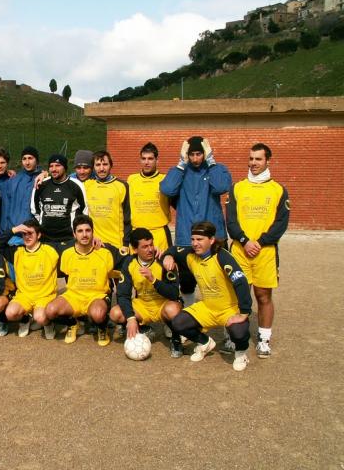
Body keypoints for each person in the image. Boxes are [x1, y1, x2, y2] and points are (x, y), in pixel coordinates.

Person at [226, 143, 290, 358]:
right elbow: (231, 221)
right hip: (240, 250)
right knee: (237, 295)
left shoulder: (278, 190)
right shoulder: (237, 188)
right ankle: (234, 337)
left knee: (263, 296)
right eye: (251, 158)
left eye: (258, 159)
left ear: (267, 161)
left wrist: (260, 242)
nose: (253, 163)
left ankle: (263, 339)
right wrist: (245, 241)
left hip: (265, 252)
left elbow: (281, 223)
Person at [163, 221, 253, 371]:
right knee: (178, 323)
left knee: (239, 332)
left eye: (200, 239)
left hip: (228, 309)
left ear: (211, 240)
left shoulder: (222, 256)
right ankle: (205, 342)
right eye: (193, 239)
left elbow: (241, 281)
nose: (195, 243)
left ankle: (241, 353)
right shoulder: (191, 254)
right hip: (207, 307)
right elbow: (174, 249)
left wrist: (244, 312)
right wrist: (168, 255)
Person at [160, 136, 232, 306]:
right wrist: (181, 163)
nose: (195, 158)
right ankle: (189, 315)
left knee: (219, 280)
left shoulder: (216, 169)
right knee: (187, 283)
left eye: (198, 154)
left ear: (205, 153)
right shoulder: (180, 171)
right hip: (187, 237)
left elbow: (221, 187)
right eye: (191, 154)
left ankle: (224, 317)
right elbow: (167, 189)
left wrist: (211, 161)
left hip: (214, 237)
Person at [109, 228, 183, 357]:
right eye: (144, 247)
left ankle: (176, 339)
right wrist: (131, 318)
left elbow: (174, 294)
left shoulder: (164, 260)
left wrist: (153, 280)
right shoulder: (129, 263)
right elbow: (123, 294)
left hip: (162, 305)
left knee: (173, 309)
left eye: (151, 245)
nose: (150, 249)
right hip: (143, 305)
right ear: (135, 249)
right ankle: (143, 329)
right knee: (115, 313)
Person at [44, 215, 116, 346]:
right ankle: (73, 323)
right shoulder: (67, 254)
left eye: (88, 230)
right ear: (74, 234)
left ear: (93, 232)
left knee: (98, 314)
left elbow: (126, 262)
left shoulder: (104, 253)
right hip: (74, 297)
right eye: (80, 231)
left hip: (96, 296)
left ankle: (102, 327)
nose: (84, 234)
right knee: (50, 310)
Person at [0, 219, 60, 339]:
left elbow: (72, 246)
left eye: (30, 233)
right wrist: (14, 230)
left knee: (40, 317)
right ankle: (25, 320)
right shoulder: (17, 252)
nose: (27, 237)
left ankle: (48, 324)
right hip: (24, 296)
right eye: (24, 234)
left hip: (44, 296)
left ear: (38, 235)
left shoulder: (50, 250)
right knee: (10, 313)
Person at [31, 154, 88, 244]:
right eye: (51, 166)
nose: (54, 169)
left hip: (68, 238)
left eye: (57, 165)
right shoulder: (41, 184)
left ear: (65, 167)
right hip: (45, 238)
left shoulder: (76, 185)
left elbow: (84, 211)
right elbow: (35, 209)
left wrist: (75, 230)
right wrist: (42, 223)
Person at [127, 143, 172, 252]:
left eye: (150, 159)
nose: (146, 162)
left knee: (162, 263)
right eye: (143, 159)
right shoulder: (131, 180)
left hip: (159, 233)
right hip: (137, 233)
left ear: (157, 160)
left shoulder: (165, 179)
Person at [83, 150, 131, 250]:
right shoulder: (87, 185)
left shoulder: (122, 186)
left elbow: (128, 218)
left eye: (105, 164)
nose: (101, 168)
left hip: (117, 245)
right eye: (98, 165)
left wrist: (126, 243)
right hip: (95, 244)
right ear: (93, 167)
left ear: (111, 165)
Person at [0, 146, 43, 246]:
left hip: (34, 235)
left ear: (36, 160)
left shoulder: (42, 180)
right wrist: (5, 233)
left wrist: (45, 173)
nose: (27, 162)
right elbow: (5, 211)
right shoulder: (12, 181)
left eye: (30, 158)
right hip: (15, 236)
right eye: (24, 159)